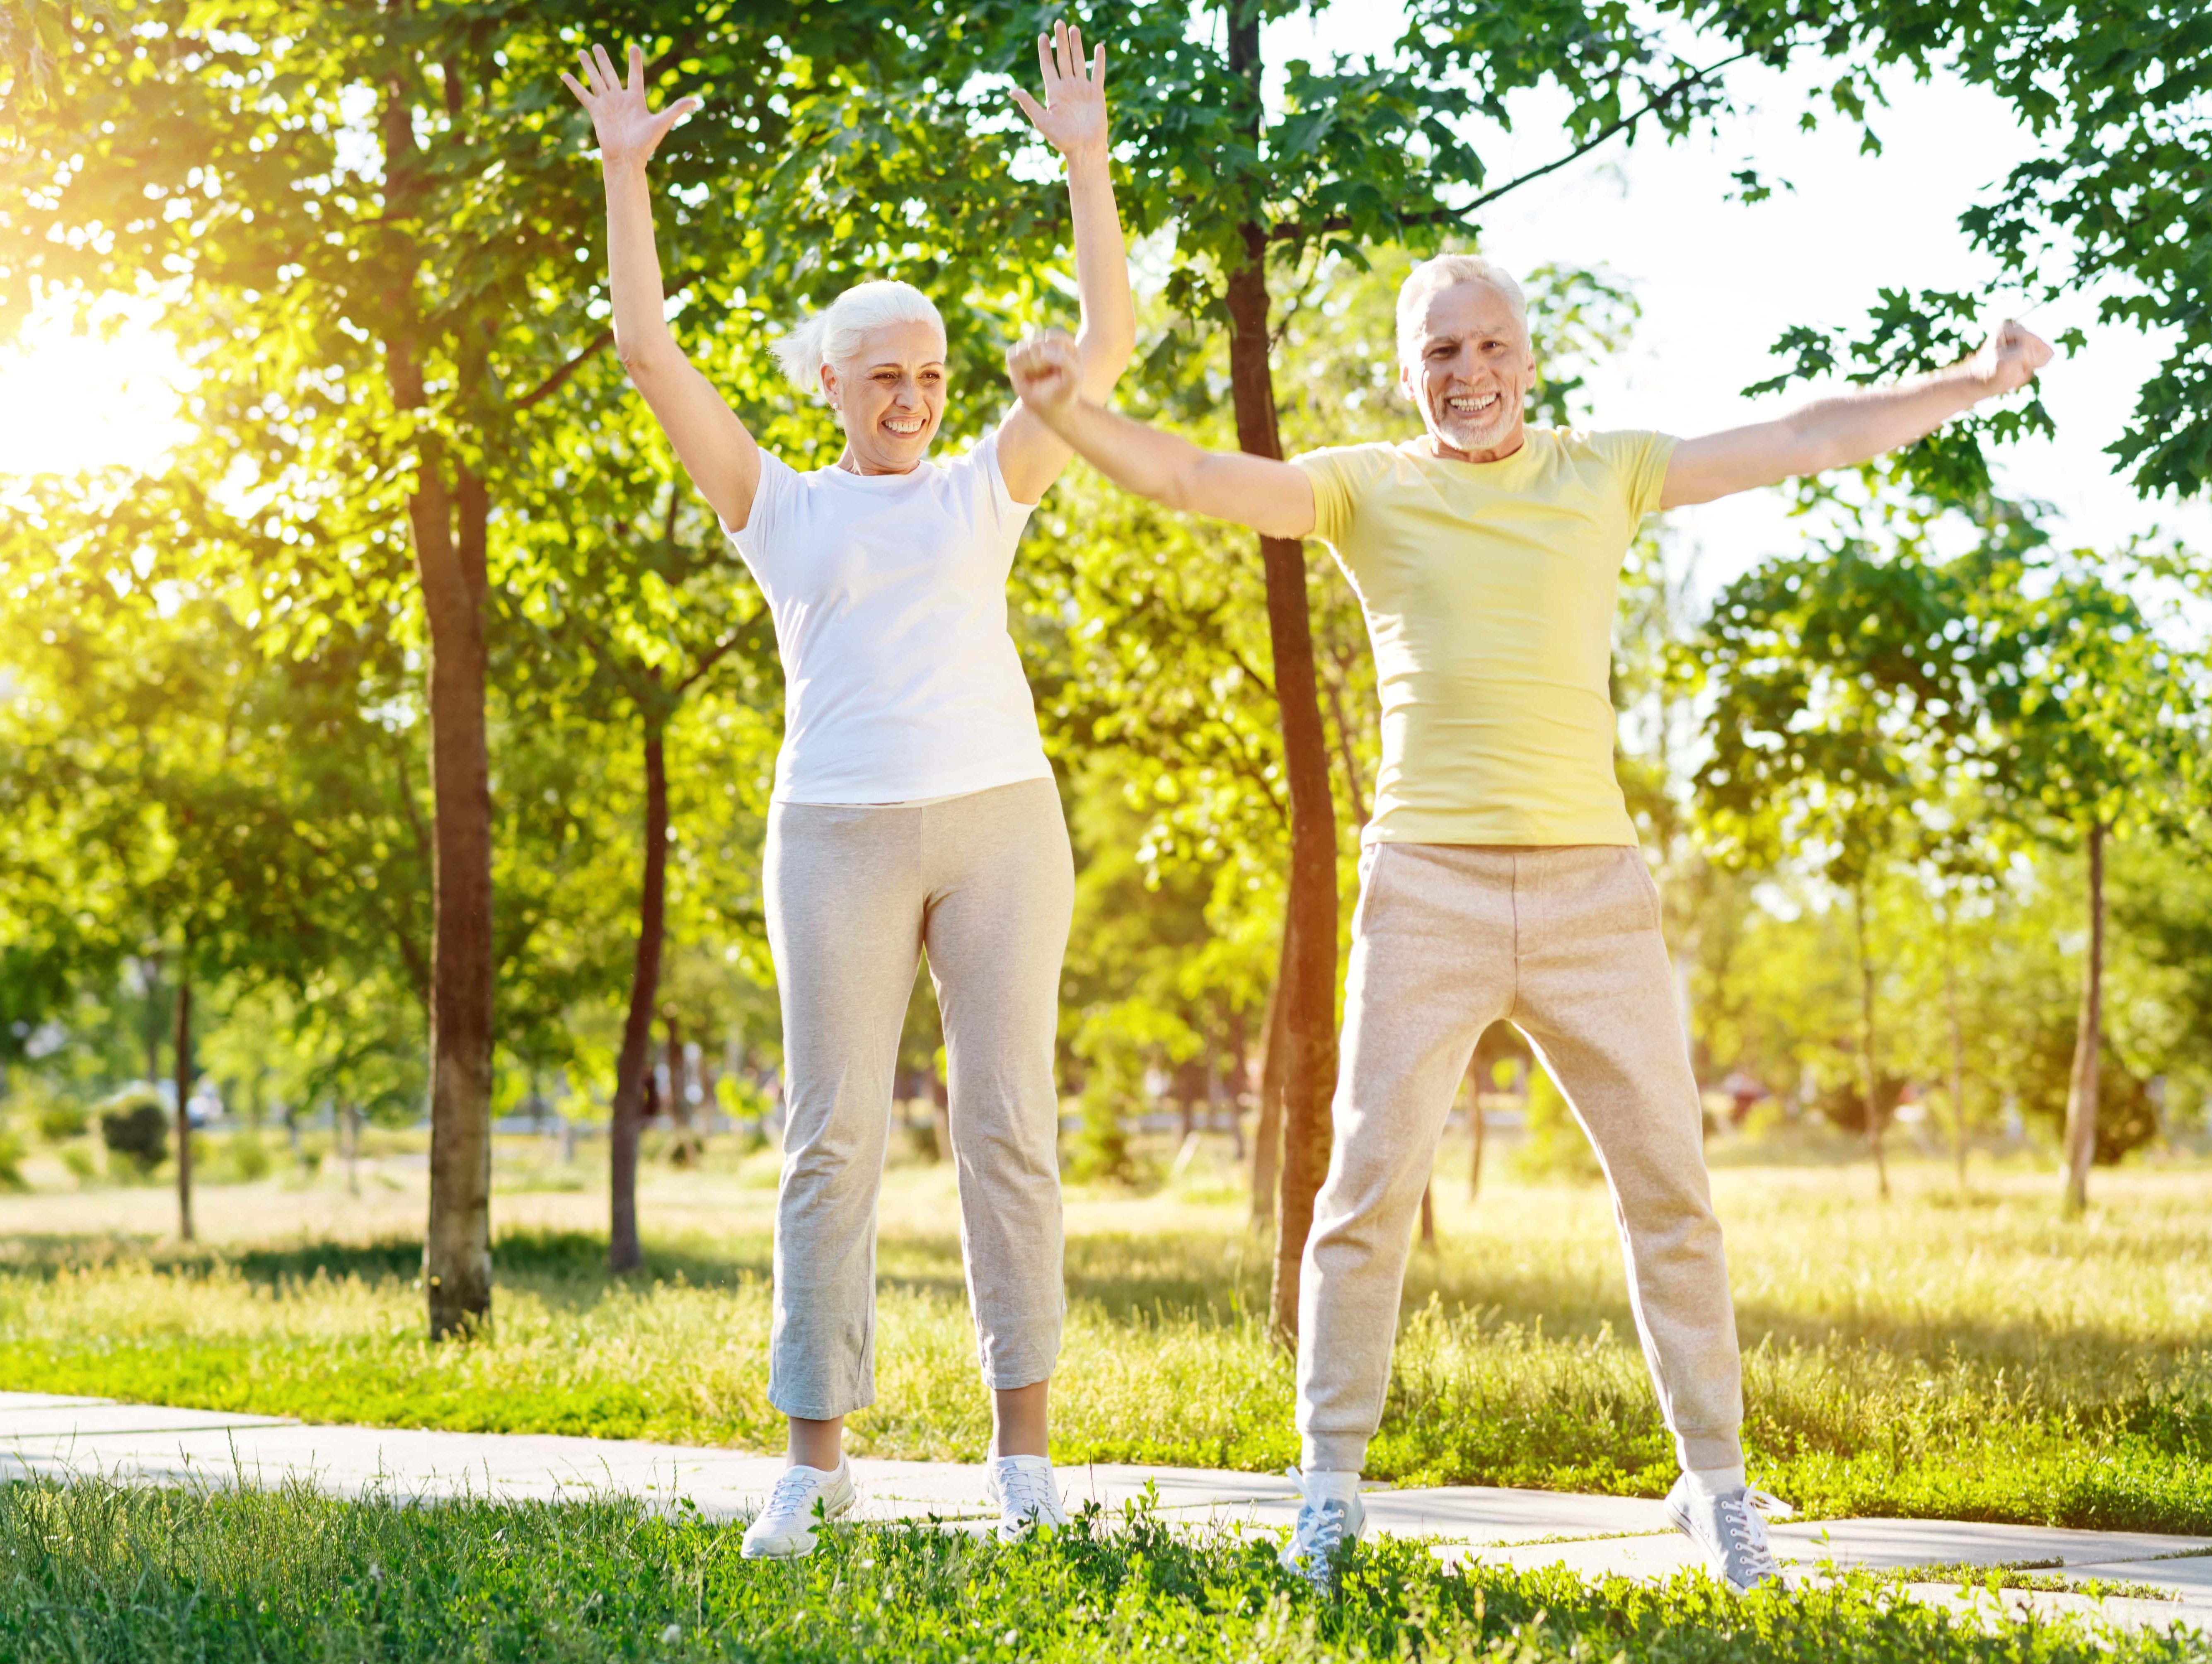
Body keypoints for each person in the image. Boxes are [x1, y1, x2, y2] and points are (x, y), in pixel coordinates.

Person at [1005, 254, 2050, 1591]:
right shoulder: (1362, 486)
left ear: (1528, 360)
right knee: (1363, 1194)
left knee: (1670, 1193)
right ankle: (1327, 1489)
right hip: (1424, 885)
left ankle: (1715, 1487)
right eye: (1439, 354)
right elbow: (1206, 482)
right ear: (1407, 373)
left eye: (1488, 346)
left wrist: (1973, 380)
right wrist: (1067, 414)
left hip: (1590, 893)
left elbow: (1799, 438)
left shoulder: (1600, 471)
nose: (1467, 374)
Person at [562, 23, 1135, 1558]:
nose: (916, 398)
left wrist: (1083, 159)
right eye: (886, 374)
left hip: (1003, 823)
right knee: (833, 1140)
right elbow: (644, 352)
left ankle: (1026, 1463)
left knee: (1009, 1126)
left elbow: (1112, 341)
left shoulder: (982, 486)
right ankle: (815, 1465)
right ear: (829, 381)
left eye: (934, 375)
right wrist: (628, 175)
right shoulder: (777, 506)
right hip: (834, 836)